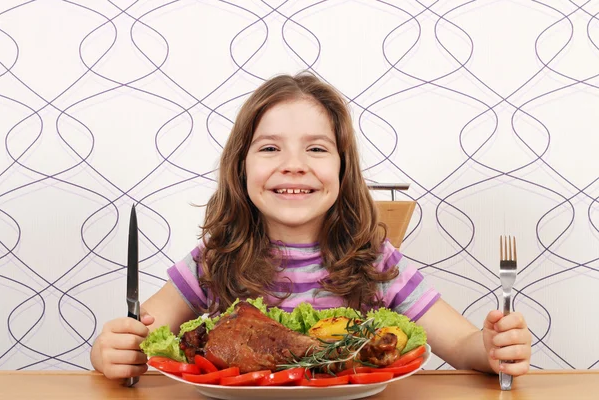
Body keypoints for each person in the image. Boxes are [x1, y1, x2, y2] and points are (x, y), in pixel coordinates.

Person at [90, 72, 532, 380]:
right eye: (269, 148)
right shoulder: (213, 261)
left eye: (317, 150)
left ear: (343, 170)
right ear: (240, 168)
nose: (294, 166)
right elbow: (140, 337)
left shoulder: (377, 261)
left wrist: (492, 348)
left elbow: (459, 345)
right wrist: (110, 350)